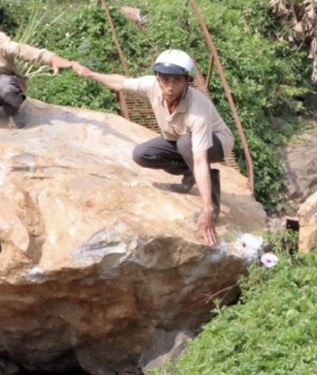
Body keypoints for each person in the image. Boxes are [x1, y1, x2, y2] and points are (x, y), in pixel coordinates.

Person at [72, 49, 233, 245]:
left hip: (216, 142)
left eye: (177, 81)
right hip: (181, 138)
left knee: (185, 143)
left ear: (187, 81)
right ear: (158, 78)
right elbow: (120, 82)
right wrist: (91, 74)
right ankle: (191, 175)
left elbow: (199, 158)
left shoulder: (197, 109)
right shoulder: (151, 86)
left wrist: (207, 207)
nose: (170, 87)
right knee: (142, 154)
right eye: (165, 79)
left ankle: (213, 202)